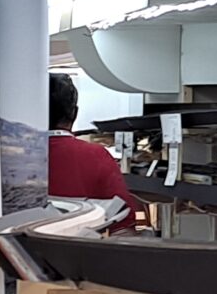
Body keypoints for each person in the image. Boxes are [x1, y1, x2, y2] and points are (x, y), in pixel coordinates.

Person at [46, 74, 147, 233]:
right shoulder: (95, 155)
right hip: (77, 252)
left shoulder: (8, 155)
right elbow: (124, 222)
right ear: (75, 113)